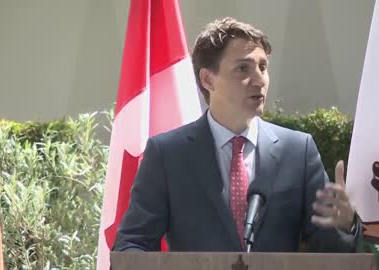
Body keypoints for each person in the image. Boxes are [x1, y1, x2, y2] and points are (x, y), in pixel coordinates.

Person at [113, 17, 359, 252]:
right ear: (208, 79)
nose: (259, 80)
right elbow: (132, 244)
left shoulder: (298, 151)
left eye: (263, 67)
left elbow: (330, 252)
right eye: (243, 69)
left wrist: (344, 226)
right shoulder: (168, 154)